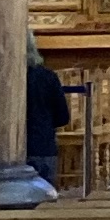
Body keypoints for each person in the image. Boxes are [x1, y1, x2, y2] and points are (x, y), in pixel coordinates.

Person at [24, 38, 69, 185]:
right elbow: (63, 117)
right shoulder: (48, 76)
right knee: (45, 193)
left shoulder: (7, 79)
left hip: (11, 154)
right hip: (43, 145)